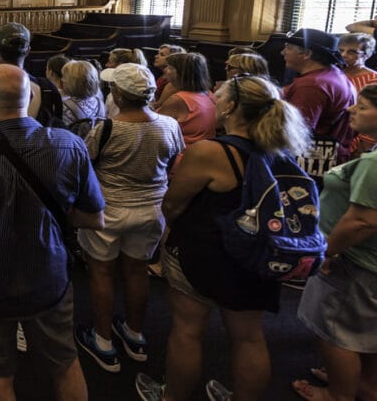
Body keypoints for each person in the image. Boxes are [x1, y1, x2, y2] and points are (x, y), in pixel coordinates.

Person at [0, 64, 106, 401]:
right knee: (65, 362)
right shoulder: (69, 145)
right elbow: (95, 219)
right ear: (30, 98)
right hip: (48, 276)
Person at [136, 74, 313, 401]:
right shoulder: (280, 147)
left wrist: (170, 231)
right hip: (258, 252)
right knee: (249, 338)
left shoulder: (210, 151)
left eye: (219, 96)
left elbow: (173, 203)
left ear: (231, 106)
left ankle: (171, 396)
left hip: (205, 252)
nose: (214, 99)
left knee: (188, 331)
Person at [74, 64, 184, 374]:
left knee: (101, 273)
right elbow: (172, 160)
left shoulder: (107, 129)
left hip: (108, 211)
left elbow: (86, 164)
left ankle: (103, 339)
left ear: (119, 94)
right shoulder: (170, 125)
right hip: (152, 210)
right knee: (137, 271)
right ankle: (135, 334)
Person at [292, 83, 377, 401]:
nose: (352, 109)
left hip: (354, 261)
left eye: (364, 107)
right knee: (365, 333)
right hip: (369, 263)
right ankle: (363, 382)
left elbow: (362, 221)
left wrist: (327, 252)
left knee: (335, 334)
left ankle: (338, 393)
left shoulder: (373, 163)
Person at [282, 28, 356, 167]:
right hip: (334, 157)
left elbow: (297, 133)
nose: (283, 52)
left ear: (306, 53)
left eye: (288, 48)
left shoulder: (311, 85)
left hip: (309, 164)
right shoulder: (333, 74)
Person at [155, 53, 217, 146]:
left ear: (181, 73)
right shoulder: (208, 94)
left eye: (169, 67)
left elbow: (154, 129)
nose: (165, 70)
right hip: (202, 151)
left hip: (182, 155)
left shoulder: (179, 99)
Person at [60, 60, 106, 132]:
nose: (62, 80)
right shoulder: (100, 102)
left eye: (64, 77)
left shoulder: (64, 106)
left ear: (72, 83)